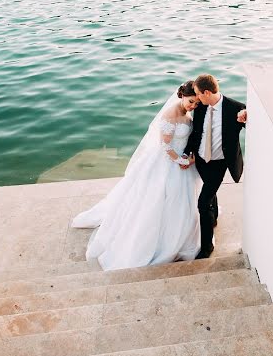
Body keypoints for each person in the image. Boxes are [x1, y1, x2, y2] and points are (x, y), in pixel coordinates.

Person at [71, 81, 201, 270]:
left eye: (196, 103)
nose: (193, 106)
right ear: (182, 95)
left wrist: (188, 158)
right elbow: (165, 146)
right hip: (167, 163)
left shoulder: (187, 113)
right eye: (191, 102)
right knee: (157, 199)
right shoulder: (169, 115)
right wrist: (181, 161)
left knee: (181, 201)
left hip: (181, 160)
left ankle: (181, 236)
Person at [186, 74, 247, 259]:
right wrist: (187, 152)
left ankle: (206, 247)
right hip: (202, 160)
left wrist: (247, 116)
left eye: (198, 94)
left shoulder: (236, 108)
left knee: (203, 203)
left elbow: (255, 125)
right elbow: (197, 132)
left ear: (206, 92)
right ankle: (214, 219)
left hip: (220, 162)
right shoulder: (201, 107)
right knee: (210, 192)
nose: (196, 98)